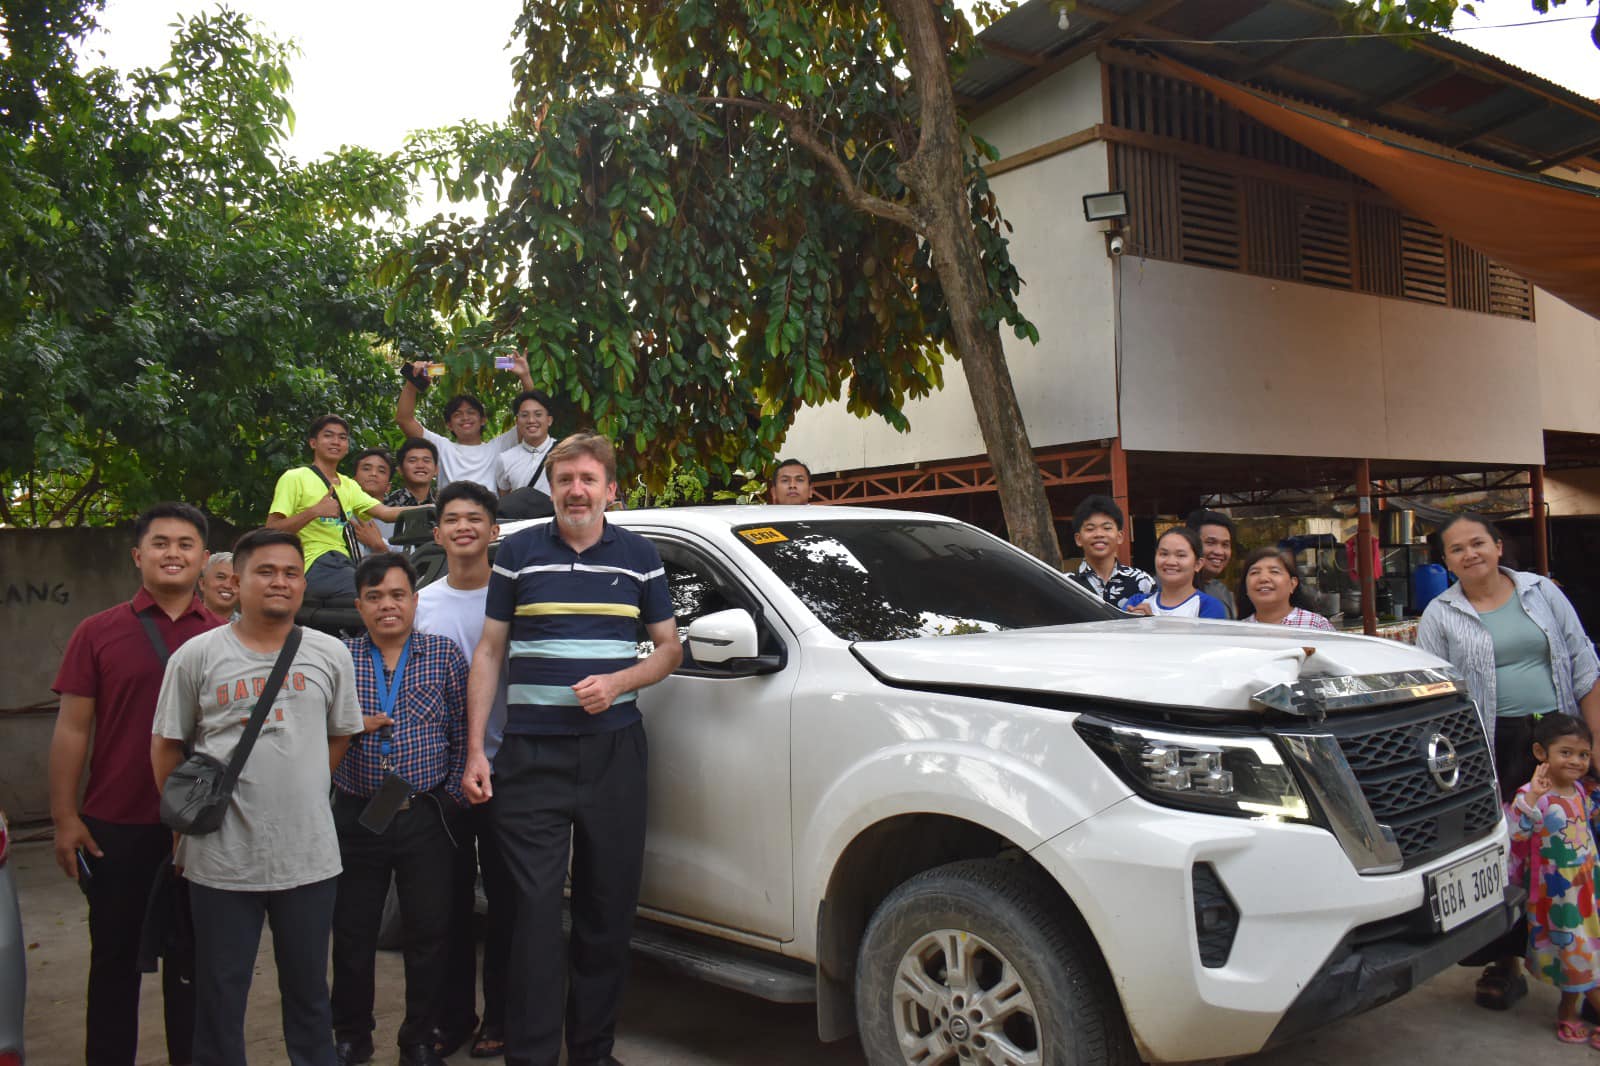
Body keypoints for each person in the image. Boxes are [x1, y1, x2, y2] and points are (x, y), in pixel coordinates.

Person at [462, 433, 681, 1066]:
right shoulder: (518, 553)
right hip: (531, 756)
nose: (576, 491)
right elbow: (490, 651)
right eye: (565, 480)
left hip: (614, 752)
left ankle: (591, 1051)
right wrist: (477, 750)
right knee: (531, 915)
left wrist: (618, 682)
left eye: (588, 479)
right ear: (552, 488)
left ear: (610, 489)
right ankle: (531, 1054)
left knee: (606, 910)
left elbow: (670, 648)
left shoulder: (639, 557)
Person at [151, 528, 365, 1066]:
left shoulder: (330, 653)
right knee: (220, 996)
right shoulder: (196, 656)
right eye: (265, 572)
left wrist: (302, 789)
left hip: (309, 858)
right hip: (221, 859)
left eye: (291, 573)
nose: (280, 582)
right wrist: (182, 829)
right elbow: (167, 745)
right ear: (237, 581)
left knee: (310, 995)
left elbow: (340, 734)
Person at [49, 502, 221, 1066]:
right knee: (114, 962)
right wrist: (65, 818)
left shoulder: (226, 637)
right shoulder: (97, 633)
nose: (173, 553)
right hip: (116, 825)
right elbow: (73, 729)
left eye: (185, 544)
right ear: (137, 555)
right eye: (160, 543)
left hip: (201, 829)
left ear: (203, 558)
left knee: (194, 966)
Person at [1418, 511, 1600, 1011]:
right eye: (1457, 549)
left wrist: (1593, 745)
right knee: (1501, 851)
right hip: (1488, 747)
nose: (1470, 554)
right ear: (1446, 561)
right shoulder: (1440, 613)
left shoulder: (1542, 593)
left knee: (1569, 853)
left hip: (1559, 740)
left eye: (1478, 543)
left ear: (1499, 546)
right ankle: (1505, 962)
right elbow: (1434, 693)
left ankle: (1582, 975)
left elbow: (1584, 666)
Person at [330, 553, 468, 1066]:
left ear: (414, 600)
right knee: (353, 930)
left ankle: (420, 1037)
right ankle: (351, 1033)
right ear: (359, 606)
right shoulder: (340, 658)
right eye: (374, 597)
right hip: (357, 814)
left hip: (424, 814)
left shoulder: (443, 654)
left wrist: (450, 799)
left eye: (396, 595)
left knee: (429, 930)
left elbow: (463, 730)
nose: (386, 605)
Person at [414, 481, 514, 1060]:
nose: (463, 527)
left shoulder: (515, 598)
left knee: (507, 902)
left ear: (493, 530)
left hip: (508, 770)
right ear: (437, 533)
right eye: (451, 519)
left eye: (475, 518)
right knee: (445, 905)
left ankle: (500, 1016)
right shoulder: (420, 605)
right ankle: (453, 1018)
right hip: (440, 780)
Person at [1508, 715, 1600, 1045]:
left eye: (1583, 754)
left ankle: (1568, 1012)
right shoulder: (1533, 796)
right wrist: (1533, 797)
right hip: (1559, 896)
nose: (1576, 761)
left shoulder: (1580, 790)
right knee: (1581, 955)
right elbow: (1516, 834)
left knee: (1581, 954)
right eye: (1566, 753)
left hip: (1587, 889)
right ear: (1540, 752)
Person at [266, 415, 417, 602]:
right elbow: (271, 530)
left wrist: (437, 507)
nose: (336, 441)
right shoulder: (295, 477)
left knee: (394, 591)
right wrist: (314, 511)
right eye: (328, 435)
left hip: (343, 562)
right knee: (374, 597)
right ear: (313, 443)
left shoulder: (349, 485)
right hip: (311, 563)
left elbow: (386, 513)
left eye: (342, 437)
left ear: (347, 446)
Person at [396, 351, 535, 492]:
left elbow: (530, 420)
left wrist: (525, 376)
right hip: (450, 506)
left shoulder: (497, 447)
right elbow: (404, 420)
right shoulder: (443, 447)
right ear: (449, 425)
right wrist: (412, 381)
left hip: (487, 506)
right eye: (457, 414)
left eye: (471, 412)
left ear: (483, 420)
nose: (465, 418)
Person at [1065, 495, 1154, 610]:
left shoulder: (1143, 581)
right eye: (1090, 529)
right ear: (1078, 539)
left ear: (1120, 536)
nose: (1099, 534)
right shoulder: (1064, 584)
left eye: (1107, 528)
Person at [1125, 527, 1229, 619]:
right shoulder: (1136, 602)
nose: (1170, 562)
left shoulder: (1209, 606)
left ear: (1198, 564)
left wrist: (1152, 623)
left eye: (1181, 555)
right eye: (1164, 554)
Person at [1235, 547, 1334, 630]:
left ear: (1292, 584)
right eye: (1254, 572)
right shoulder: (1238, 630)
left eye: (1274, 571)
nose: (1263, 578)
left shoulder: (1316, 625)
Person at [494, 389, 558, 498]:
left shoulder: (564, 452)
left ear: (549, 420)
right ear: (517, 422)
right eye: (524, 415)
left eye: (538, 414)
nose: (531, 420)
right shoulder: (505, 459)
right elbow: (505, 501)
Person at [1186, 509, 1238, 619]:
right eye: (1210, 543)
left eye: (1225, 545)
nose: (1219, 552)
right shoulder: (1163, 588)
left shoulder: (1223, 591)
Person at [351, 448, 396, 557]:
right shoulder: (338, 515)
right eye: (366, 469)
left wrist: (380, 547)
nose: (373, 474)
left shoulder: (399, 524)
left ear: (388, 487)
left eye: (381, 471)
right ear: (353, 480)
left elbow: (410, 563)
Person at [198, 551, 238, 621]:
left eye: (236, 580)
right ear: (202, 584)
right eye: (221, 577)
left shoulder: (250, 627)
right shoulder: (182, 622)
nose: (228, 585)